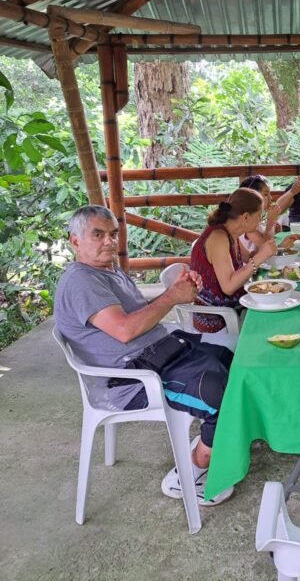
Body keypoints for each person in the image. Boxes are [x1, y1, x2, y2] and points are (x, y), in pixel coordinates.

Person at [54, 205, 235, 507]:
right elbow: (125, 330)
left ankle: (212, 438)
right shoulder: (81, 282)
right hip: (133, 379)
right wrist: (172, 297)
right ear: (75, 241)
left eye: (113, 234)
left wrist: (177, 289)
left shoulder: (107, 270)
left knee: (235, 365)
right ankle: (189, 471)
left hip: (162, 352)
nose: (109, 242)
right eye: (98, 235)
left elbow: (140, 313)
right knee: (224, 396)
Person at [190, 188, 277, 331]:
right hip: (216, 318)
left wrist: (264, 251)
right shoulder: (218, 237)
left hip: (235, 306)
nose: (260, 220)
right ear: (246, 217)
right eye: (259, 216)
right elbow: (229, 287)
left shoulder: (231, 233)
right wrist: (261, 256)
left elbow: (248, 258)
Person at [238, 174, 300, 250]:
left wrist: (273, 230)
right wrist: (271, 222)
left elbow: (266, 238)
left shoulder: (256, 218)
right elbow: (265, 247)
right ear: (252, 197)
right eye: (266, 194)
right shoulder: (247, 223)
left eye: (269, 194)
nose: (270, 198)